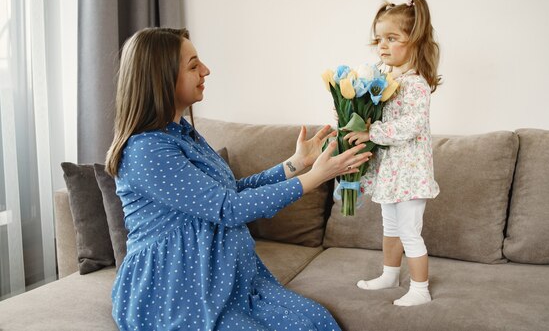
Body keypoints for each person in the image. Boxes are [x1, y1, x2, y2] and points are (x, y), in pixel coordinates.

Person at [105, 27, 371, 330]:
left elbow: (231, 191)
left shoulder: (181, 134)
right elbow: (229, 208)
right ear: (160, 77)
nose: (206, 70)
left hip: (224, 280)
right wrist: (316, 177)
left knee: (318, 321)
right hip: (175, 288)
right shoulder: (147, 150)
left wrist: (296, 164)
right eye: (193, 66)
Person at [344, 0, 441, 307]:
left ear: (413, 41)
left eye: (391, 38)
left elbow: (411, 125)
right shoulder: (387, 80)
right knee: (390, 227)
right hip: (391, 173)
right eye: (378, 39)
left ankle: (420, 289)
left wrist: (370, 131)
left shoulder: (415, 84)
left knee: (410, 232)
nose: (382, 46)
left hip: (411, 175)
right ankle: (389, 274)